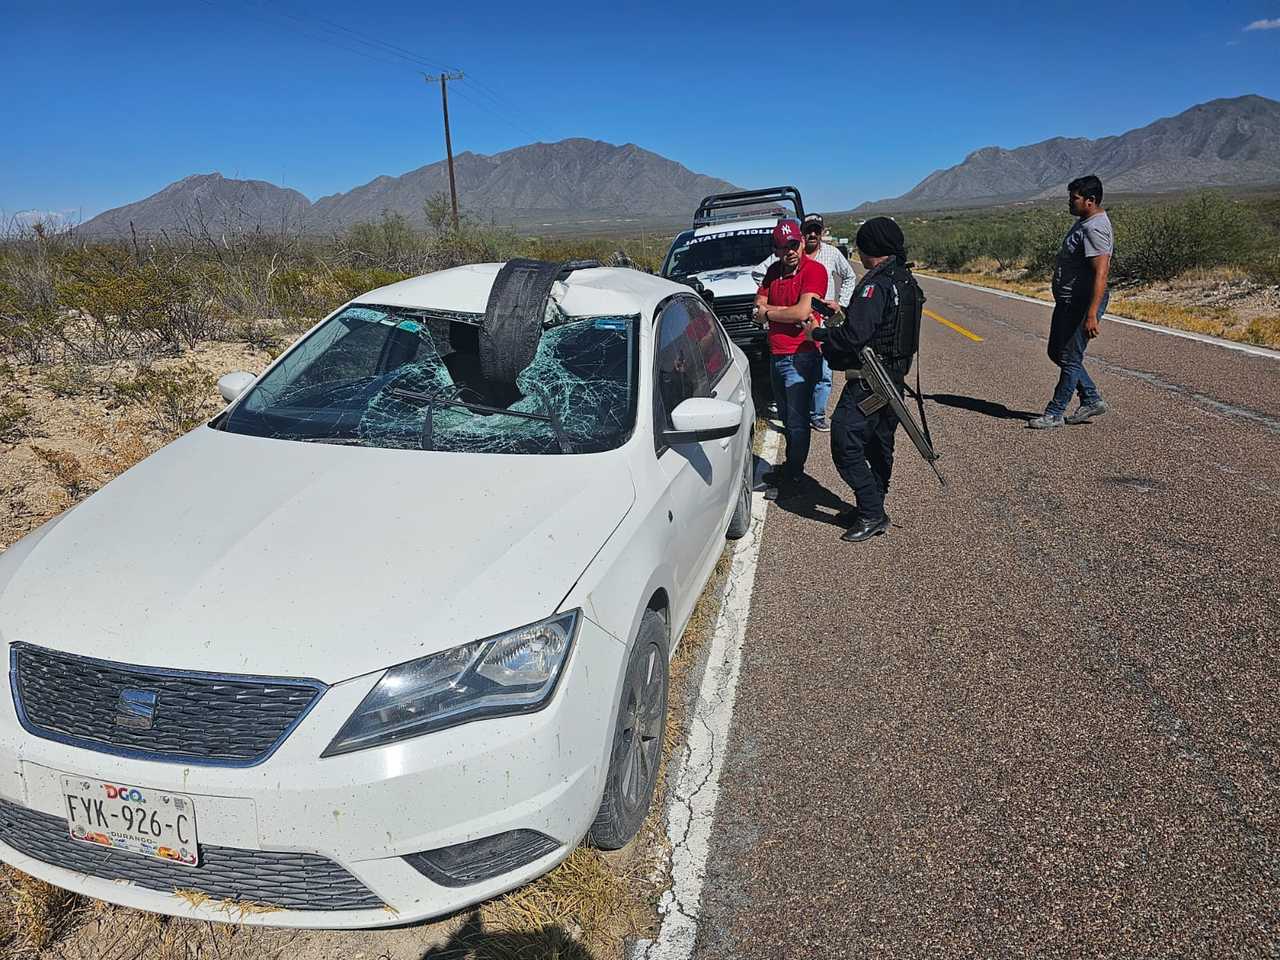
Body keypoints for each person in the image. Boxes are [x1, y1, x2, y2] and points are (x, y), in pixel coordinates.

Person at [803, 216, 923, 542]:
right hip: (894, 377)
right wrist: (836, 313)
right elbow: (880, 326)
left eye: (861, 246)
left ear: (873, 249)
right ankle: (871, 502)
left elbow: (855, 336)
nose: (859, 252)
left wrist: (820, 334)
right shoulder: (906, 280)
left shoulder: (876, 284)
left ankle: (872, 512)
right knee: (879, 442)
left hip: (872, 379)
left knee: (845, 441)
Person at [758, 214, 857, 432]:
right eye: (809, 230)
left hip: (820, 325)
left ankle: (818, 415)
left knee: (824, 375)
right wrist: (786, 311)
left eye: (817, 230)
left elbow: (849, 277)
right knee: (793, 407)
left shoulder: (829, 255)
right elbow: (760, 295)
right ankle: (806, 416)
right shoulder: (776, 266)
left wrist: (842, 304)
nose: (813, 234)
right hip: (782, 343)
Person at [1029, 175, 1113, 429]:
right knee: (1057, 352)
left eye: (1074, 198)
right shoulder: (1085, 222)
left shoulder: (1094, 228)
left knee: (1070, 357)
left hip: (1081, 303)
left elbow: (1101, 271)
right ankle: (1091, 398)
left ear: (1091, 200)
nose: (1069, 202)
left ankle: (1054, 413)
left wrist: (1091, 314)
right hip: (1068, 301)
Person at [754, 219, 828, 498]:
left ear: (801, 242)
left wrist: (769, 313)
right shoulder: (773, 272)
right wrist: (779, 310)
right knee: (786, 417)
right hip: (776, 354)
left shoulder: (815, 271)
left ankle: (795, 474)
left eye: (794, 244)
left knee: (797, 422)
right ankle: (791, 466)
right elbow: (756, 305)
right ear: (775, 250)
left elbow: (801, 312)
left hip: (801, 356)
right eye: (783, 247)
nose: (790, 251)